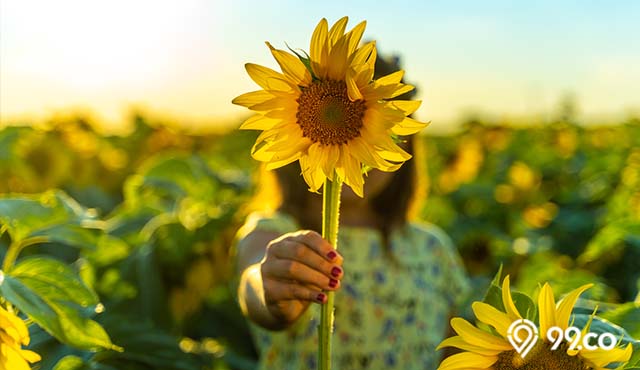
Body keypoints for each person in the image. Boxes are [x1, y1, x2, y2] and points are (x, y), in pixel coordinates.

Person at [234, 55, 470, 370]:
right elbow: (255, 279)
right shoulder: (275, 231)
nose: (358, 145)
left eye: (384, 130)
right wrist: (275, 288)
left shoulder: (432, 248)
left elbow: (454, 353)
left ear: (406, 150)